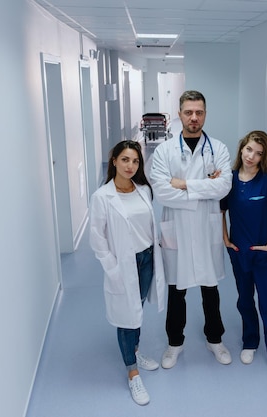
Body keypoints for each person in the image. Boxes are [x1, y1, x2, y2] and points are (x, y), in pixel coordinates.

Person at [149, 90, 233, 369]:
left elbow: (223, 187)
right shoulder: (164, 150)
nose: (194, 117)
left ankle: (215, 339)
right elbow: (162, 193)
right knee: (177, 290)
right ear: (180, 114)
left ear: (205, 114)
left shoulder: (218, 149)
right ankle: (174, 344)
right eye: (188, 112)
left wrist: (183, 184)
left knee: (211, 289)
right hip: (178, 230)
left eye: (199, 112)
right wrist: (204, 188)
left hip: (205, 227)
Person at [89, 140, 166, 406]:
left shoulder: (144, 190)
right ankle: (132, 372)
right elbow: (97, 238)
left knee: (138, 308)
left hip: (146, 259)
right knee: (126, 316)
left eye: (135, 161)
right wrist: (112, 268)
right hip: (124, 262)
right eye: (125, 160)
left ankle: (134, 349)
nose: (130, 166)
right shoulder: (102, 197)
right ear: (114, 162)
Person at [221, 130, 267, 385]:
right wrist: (225, 239)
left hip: (265, 257)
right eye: (249, 149)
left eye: (259, 153)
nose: (252, 156)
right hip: (239, 254)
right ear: (242, 148)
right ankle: (250, 341)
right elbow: (220, 209)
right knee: (244, 301)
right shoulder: (228, 180)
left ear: (264, 157)